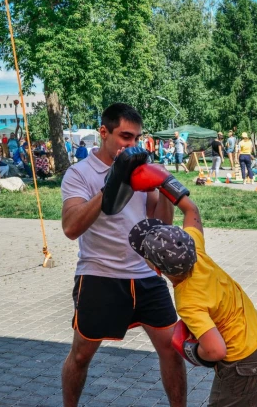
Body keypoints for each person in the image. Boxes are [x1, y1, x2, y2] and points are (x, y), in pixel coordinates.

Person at [127, 175, 257, 407]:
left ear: (156, 268)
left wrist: (191, 351)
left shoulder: (188, 300)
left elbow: (216, 350)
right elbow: (191, 209)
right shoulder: (195, 250)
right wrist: (166, 181)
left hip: (244, 361)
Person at [60, 103, 186, 407]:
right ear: (104, 132)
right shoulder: (79, 174)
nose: (131, 145)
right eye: (125, 137)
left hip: (145, 276)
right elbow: (71, 227)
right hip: (99, 275)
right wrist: (112, 183)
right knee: (80, 355)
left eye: (136, 139)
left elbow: (161, 226)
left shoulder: (141, 174)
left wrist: (164, 186)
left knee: (172, 348)